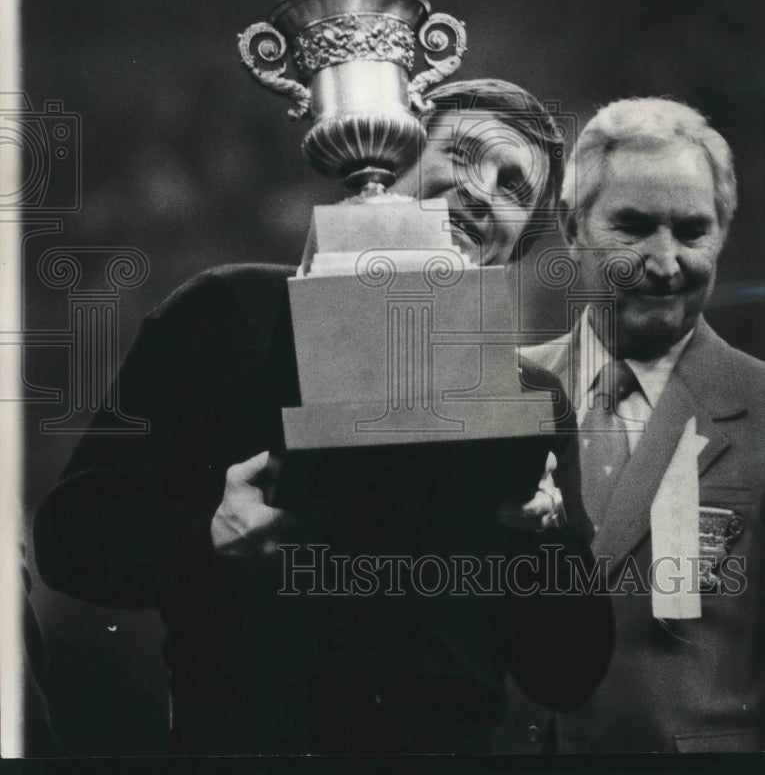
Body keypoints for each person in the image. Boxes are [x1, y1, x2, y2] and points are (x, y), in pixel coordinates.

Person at [34, 79, 613, 755]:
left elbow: (566, 677)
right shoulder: (227, 313)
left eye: (513, 188)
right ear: (389, 163)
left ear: (515, 247)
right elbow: (70, 538)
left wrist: (548, 542)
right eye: (461, 155)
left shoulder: (531, 401)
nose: (481, 193)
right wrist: (208, 536)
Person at [500, 96, 765, 753]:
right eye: (634, 226)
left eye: (692, 230)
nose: (665, 261)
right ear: (570, 227)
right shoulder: (489, 396)